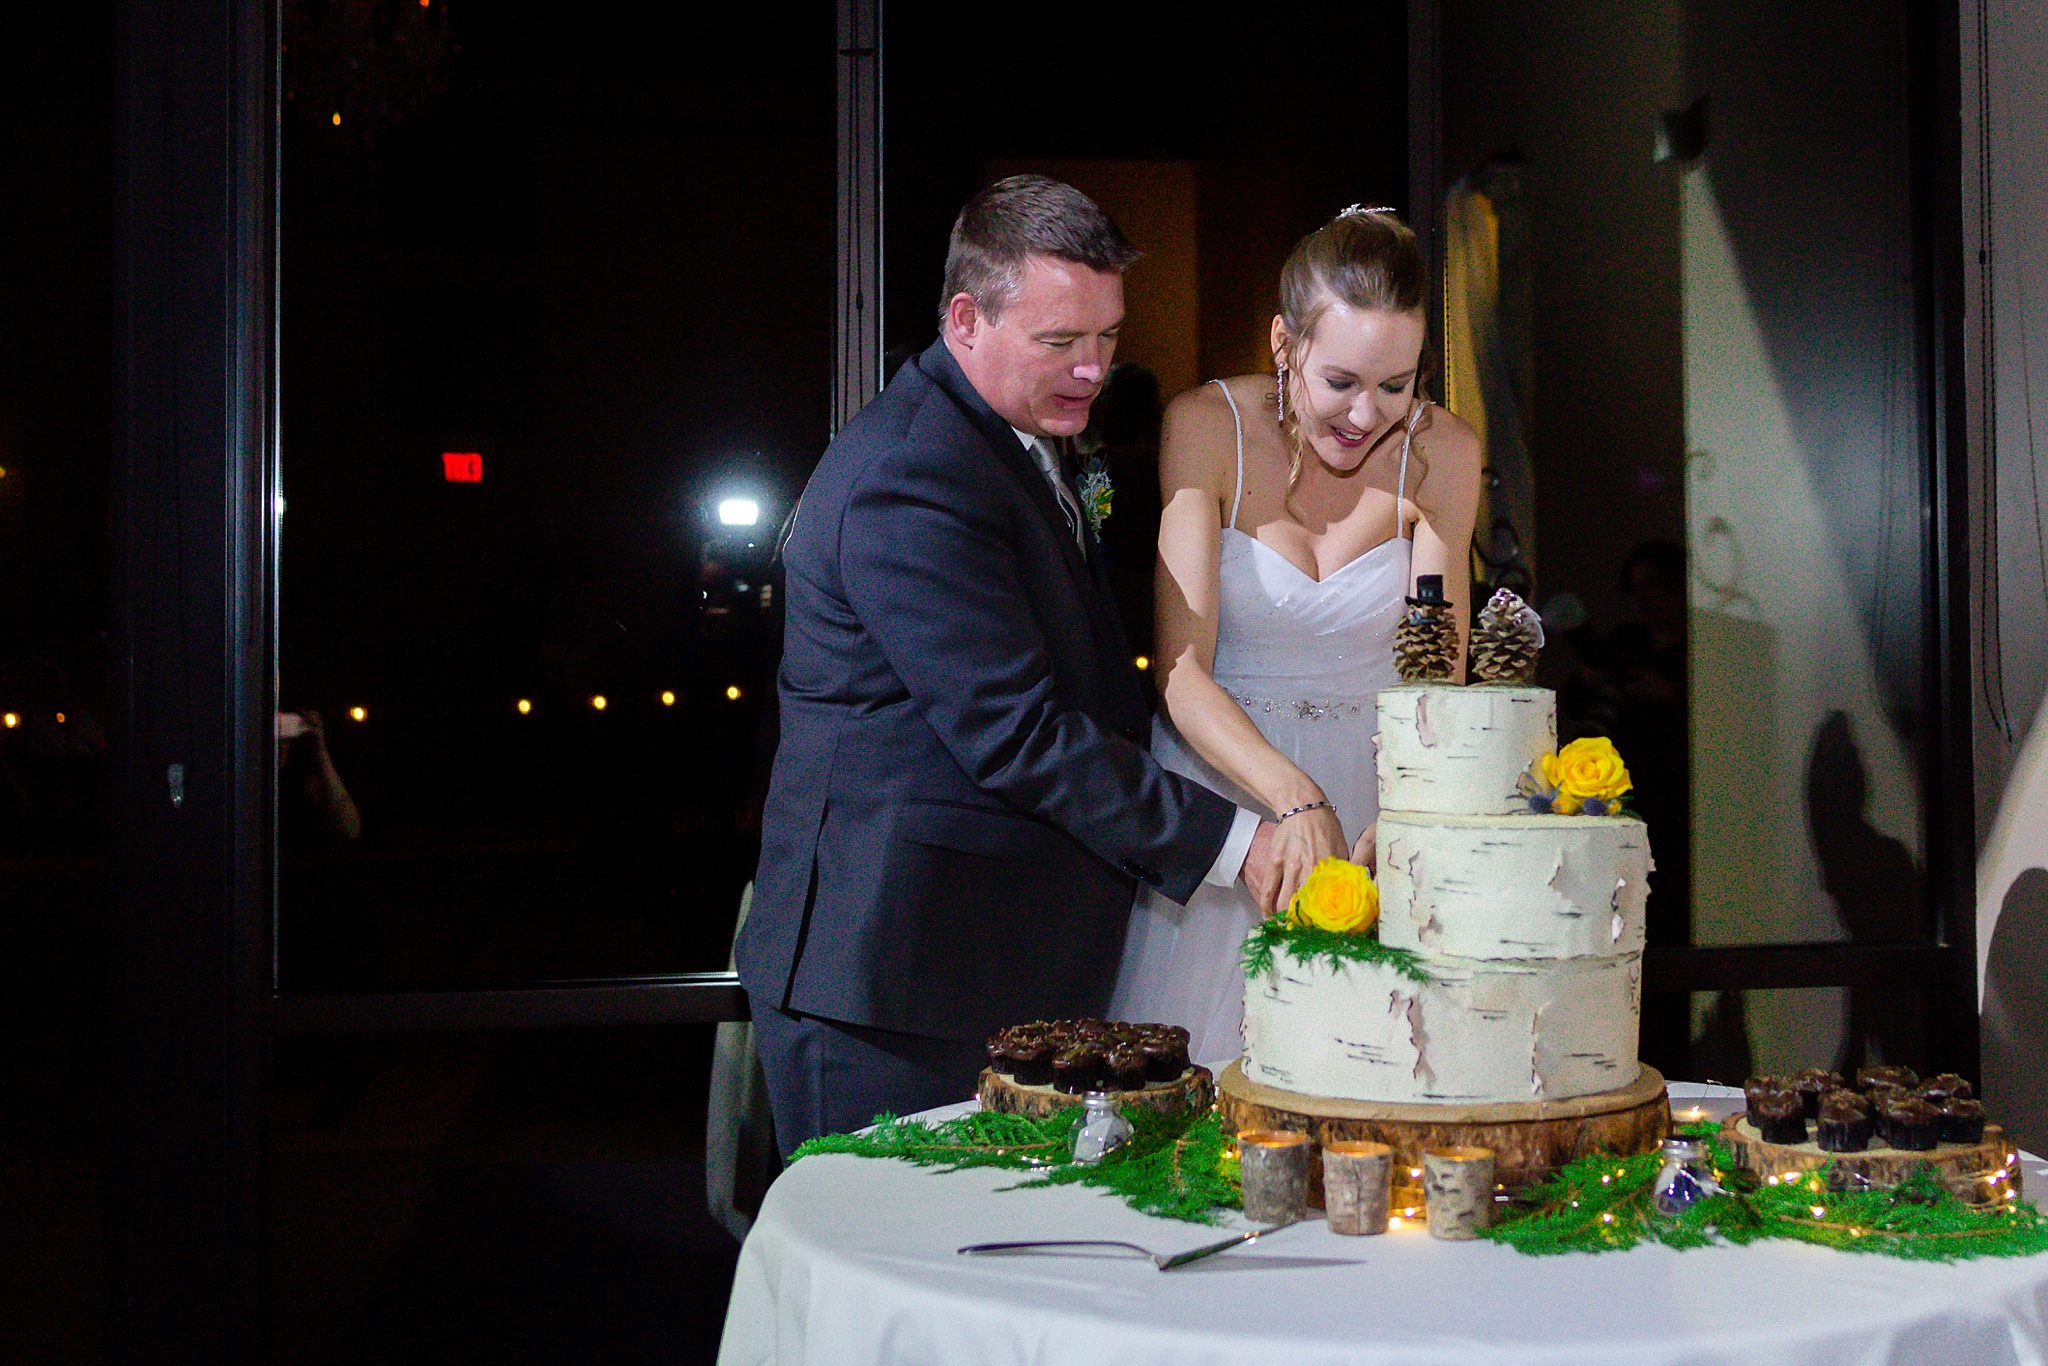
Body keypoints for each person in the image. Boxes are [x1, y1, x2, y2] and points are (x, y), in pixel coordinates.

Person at [735, 176, 1291, 1157]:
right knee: (892, 1291)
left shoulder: (1012, 438)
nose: (1091, 370)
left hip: (965, 971)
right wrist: (1233, 839)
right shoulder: (911, 472)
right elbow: (1016, 731)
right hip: (888, 993)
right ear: (965, 317)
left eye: (1107, 338)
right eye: (1059, 342)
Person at [1108, 207, 1482, 1065]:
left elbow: (1440, 669)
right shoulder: (1207, 426)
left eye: (1398, 386)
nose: (1367, 415)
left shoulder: (1445, 453)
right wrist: (1293, 797)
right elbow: (1181, 669)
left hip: (1376, 798)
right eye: (1341, 381)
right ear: (1284, 344)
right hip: (1235, 784)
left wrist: (1409, 811)